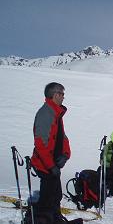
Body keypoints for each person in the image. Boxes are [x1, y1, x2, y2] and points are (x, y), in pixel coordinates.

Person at [31, 82, 71, 213]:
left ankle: (52, 220)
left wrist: (65, 154)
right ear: (55, 95)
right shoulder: (45, 114)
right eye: (62, 94)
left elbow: (62, 137)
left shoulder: (56, 113)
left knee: (55, 196)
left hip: (53, 163)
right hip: (45, 165)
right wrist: (51, 166)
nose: (63, 97)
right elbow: (40, 144)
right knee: (49, 198)